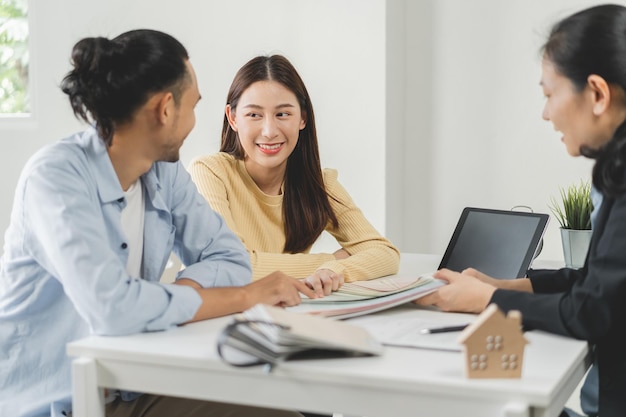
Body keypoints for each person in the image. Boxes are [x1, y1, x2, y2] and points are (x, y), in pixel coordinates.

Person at [0, 29, 316, 417]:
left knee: (288, 409)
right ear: (166, 109)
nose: (197, 120)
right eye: (194, 105)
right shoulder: (55, 179)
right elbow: (113, 309)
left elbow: (231, 258)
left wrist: (163, 303)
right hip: (60, 403)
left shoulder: (162, 172)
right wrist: (242, 297)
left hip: (135, 384)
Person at [416, 4, 626, 417]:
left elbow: (590, 312)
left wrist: (488, 300)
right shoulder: (614, 168)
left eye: (550, 94)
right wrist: (506, 286)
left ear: (598, 94)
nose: (546, 113)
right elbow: (594, 285)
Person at [189, 55, 400, 297]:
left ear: (303, 118)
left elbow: (385, 253)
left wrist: (335, 270)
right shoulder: (210, 172)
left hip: (286, 315)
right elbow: (228, 267)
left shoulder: (319, 184)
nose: (269, 132)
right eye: (254, 115)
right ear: (233, 118)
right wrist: (331, 260)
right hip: (215, 321)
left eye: (282, 114)